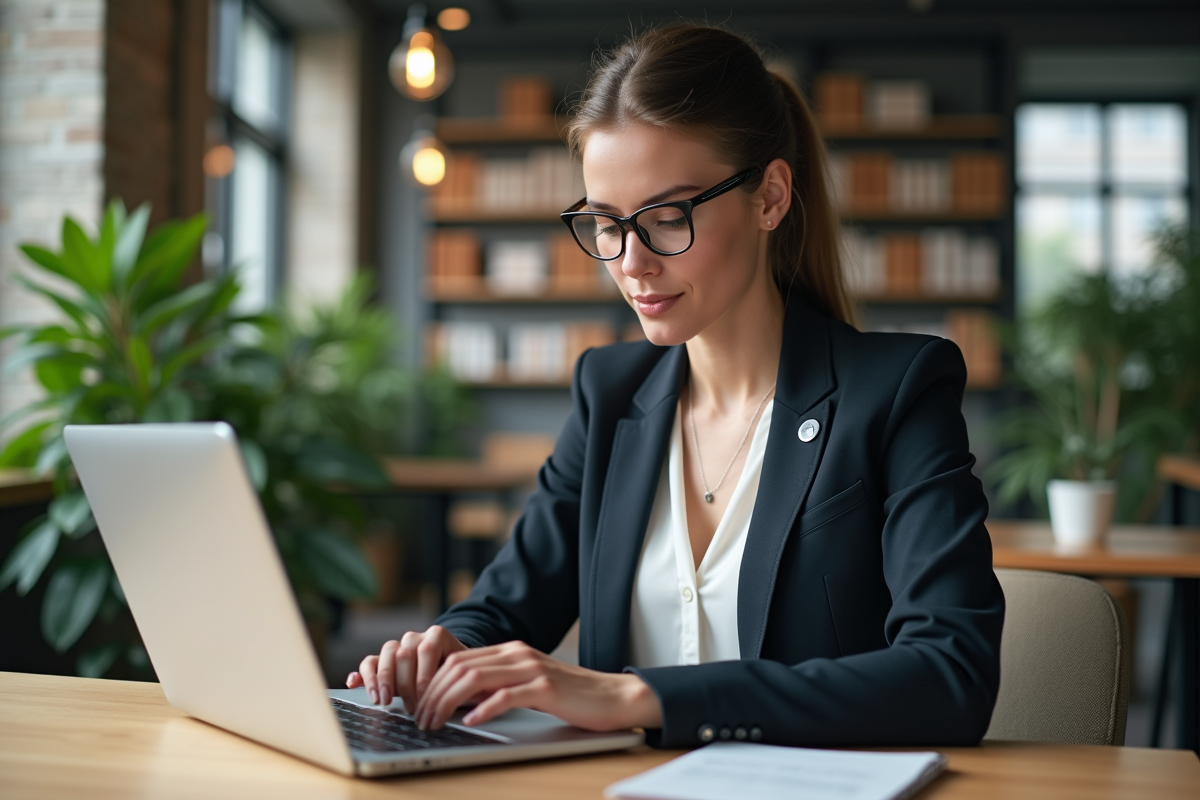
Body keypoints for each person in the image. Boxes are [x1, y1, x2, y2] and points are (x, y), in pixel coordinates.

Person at [347, 22, 1005, 749]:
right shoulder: (610, 394)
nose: (631, 261)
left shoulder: (897, 391)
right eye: (605, 223)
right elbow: (505, 606)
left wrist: (640, 696)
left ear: (770, 198)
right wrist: (443, 647)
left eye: (667, 218)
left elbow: (951, 676)